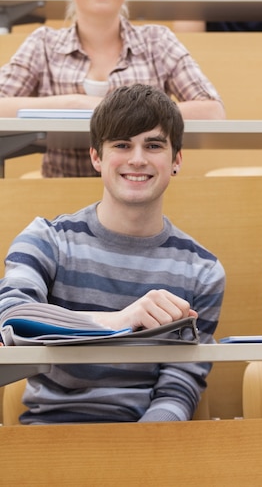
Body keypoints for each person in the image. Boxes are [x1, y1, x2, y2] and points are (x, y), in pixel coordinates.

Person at [0, 84, 225, 424]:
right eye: (122, 145)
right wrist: (117, 322)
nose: (137, 158)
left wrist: (141, 452)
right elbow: (13, 320)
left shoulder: (203, 270)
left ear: (176, 159)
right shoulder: (45, 239)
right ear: (96, 157)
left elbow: (182, 382)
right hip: (49, 437)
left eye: (153, 145)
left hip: (150, 446)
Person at [0, 0, 225, 177]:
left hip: (142, 194)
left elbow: (212, 112)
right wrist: (75, 104)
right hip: (61, 198)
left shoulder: (156, 41)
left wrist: (116, 111)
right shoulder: (43, 44)